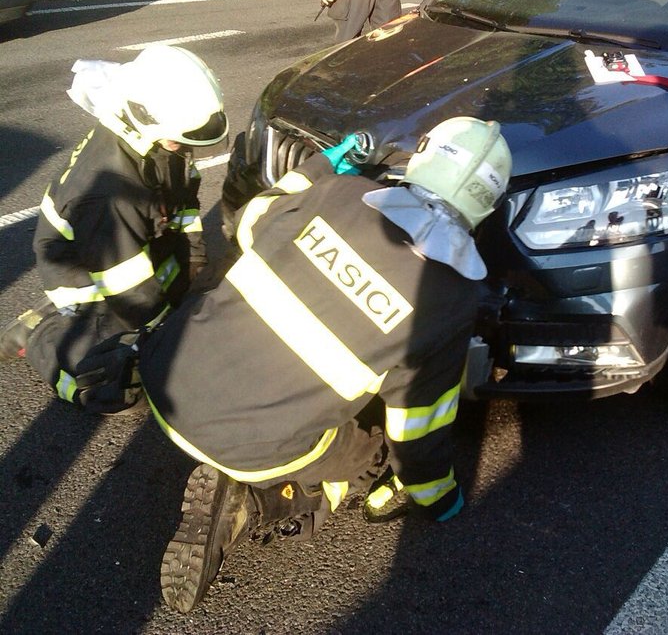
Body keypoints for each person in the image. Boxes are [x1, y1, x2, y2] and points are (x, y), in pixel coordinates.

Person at [80, 116, 511, 613]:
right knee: (371, 447)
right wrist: (438, 497)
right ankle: (263, 502)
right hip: (249, 447)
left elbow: (254, 217)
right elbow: (418, 429)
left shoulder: (338, 194)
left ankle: (243, 464)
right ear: (486, 205)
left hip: (165, 375)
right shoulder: (451, 298)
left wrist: (324, 165)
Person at [0, 45, 228, 413]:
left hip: (135, 247)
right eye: (183, 136)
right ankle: (43, 336)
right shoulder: (109, 191)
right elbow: (128, 286)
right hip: (88, 273)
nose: (188, 144)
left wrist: (196, 266)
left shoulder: (163, 143)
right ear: (143, 117)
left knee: (193, 302)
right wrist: (163, 336)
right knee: (121, 388)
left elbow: (185, 204)